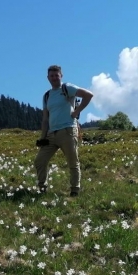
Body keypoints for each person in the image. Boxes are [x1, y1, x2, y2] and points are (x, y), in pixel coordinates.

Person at [34, 65, 93, 196]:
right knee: (39, 161)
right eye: (52, 76)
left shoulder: (68, 88)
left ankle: (74, 190)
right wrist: (43, 137)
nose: (54, 78)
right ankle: (42, 188)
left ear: (61, 76)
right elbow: (45, 119)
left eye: (57, 75)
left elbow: (88, 95)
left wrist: (76, 112)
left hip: (68, 131)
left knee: (73, 161)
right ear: (48, 78)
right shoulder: (47, 96)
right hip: (51, 134)